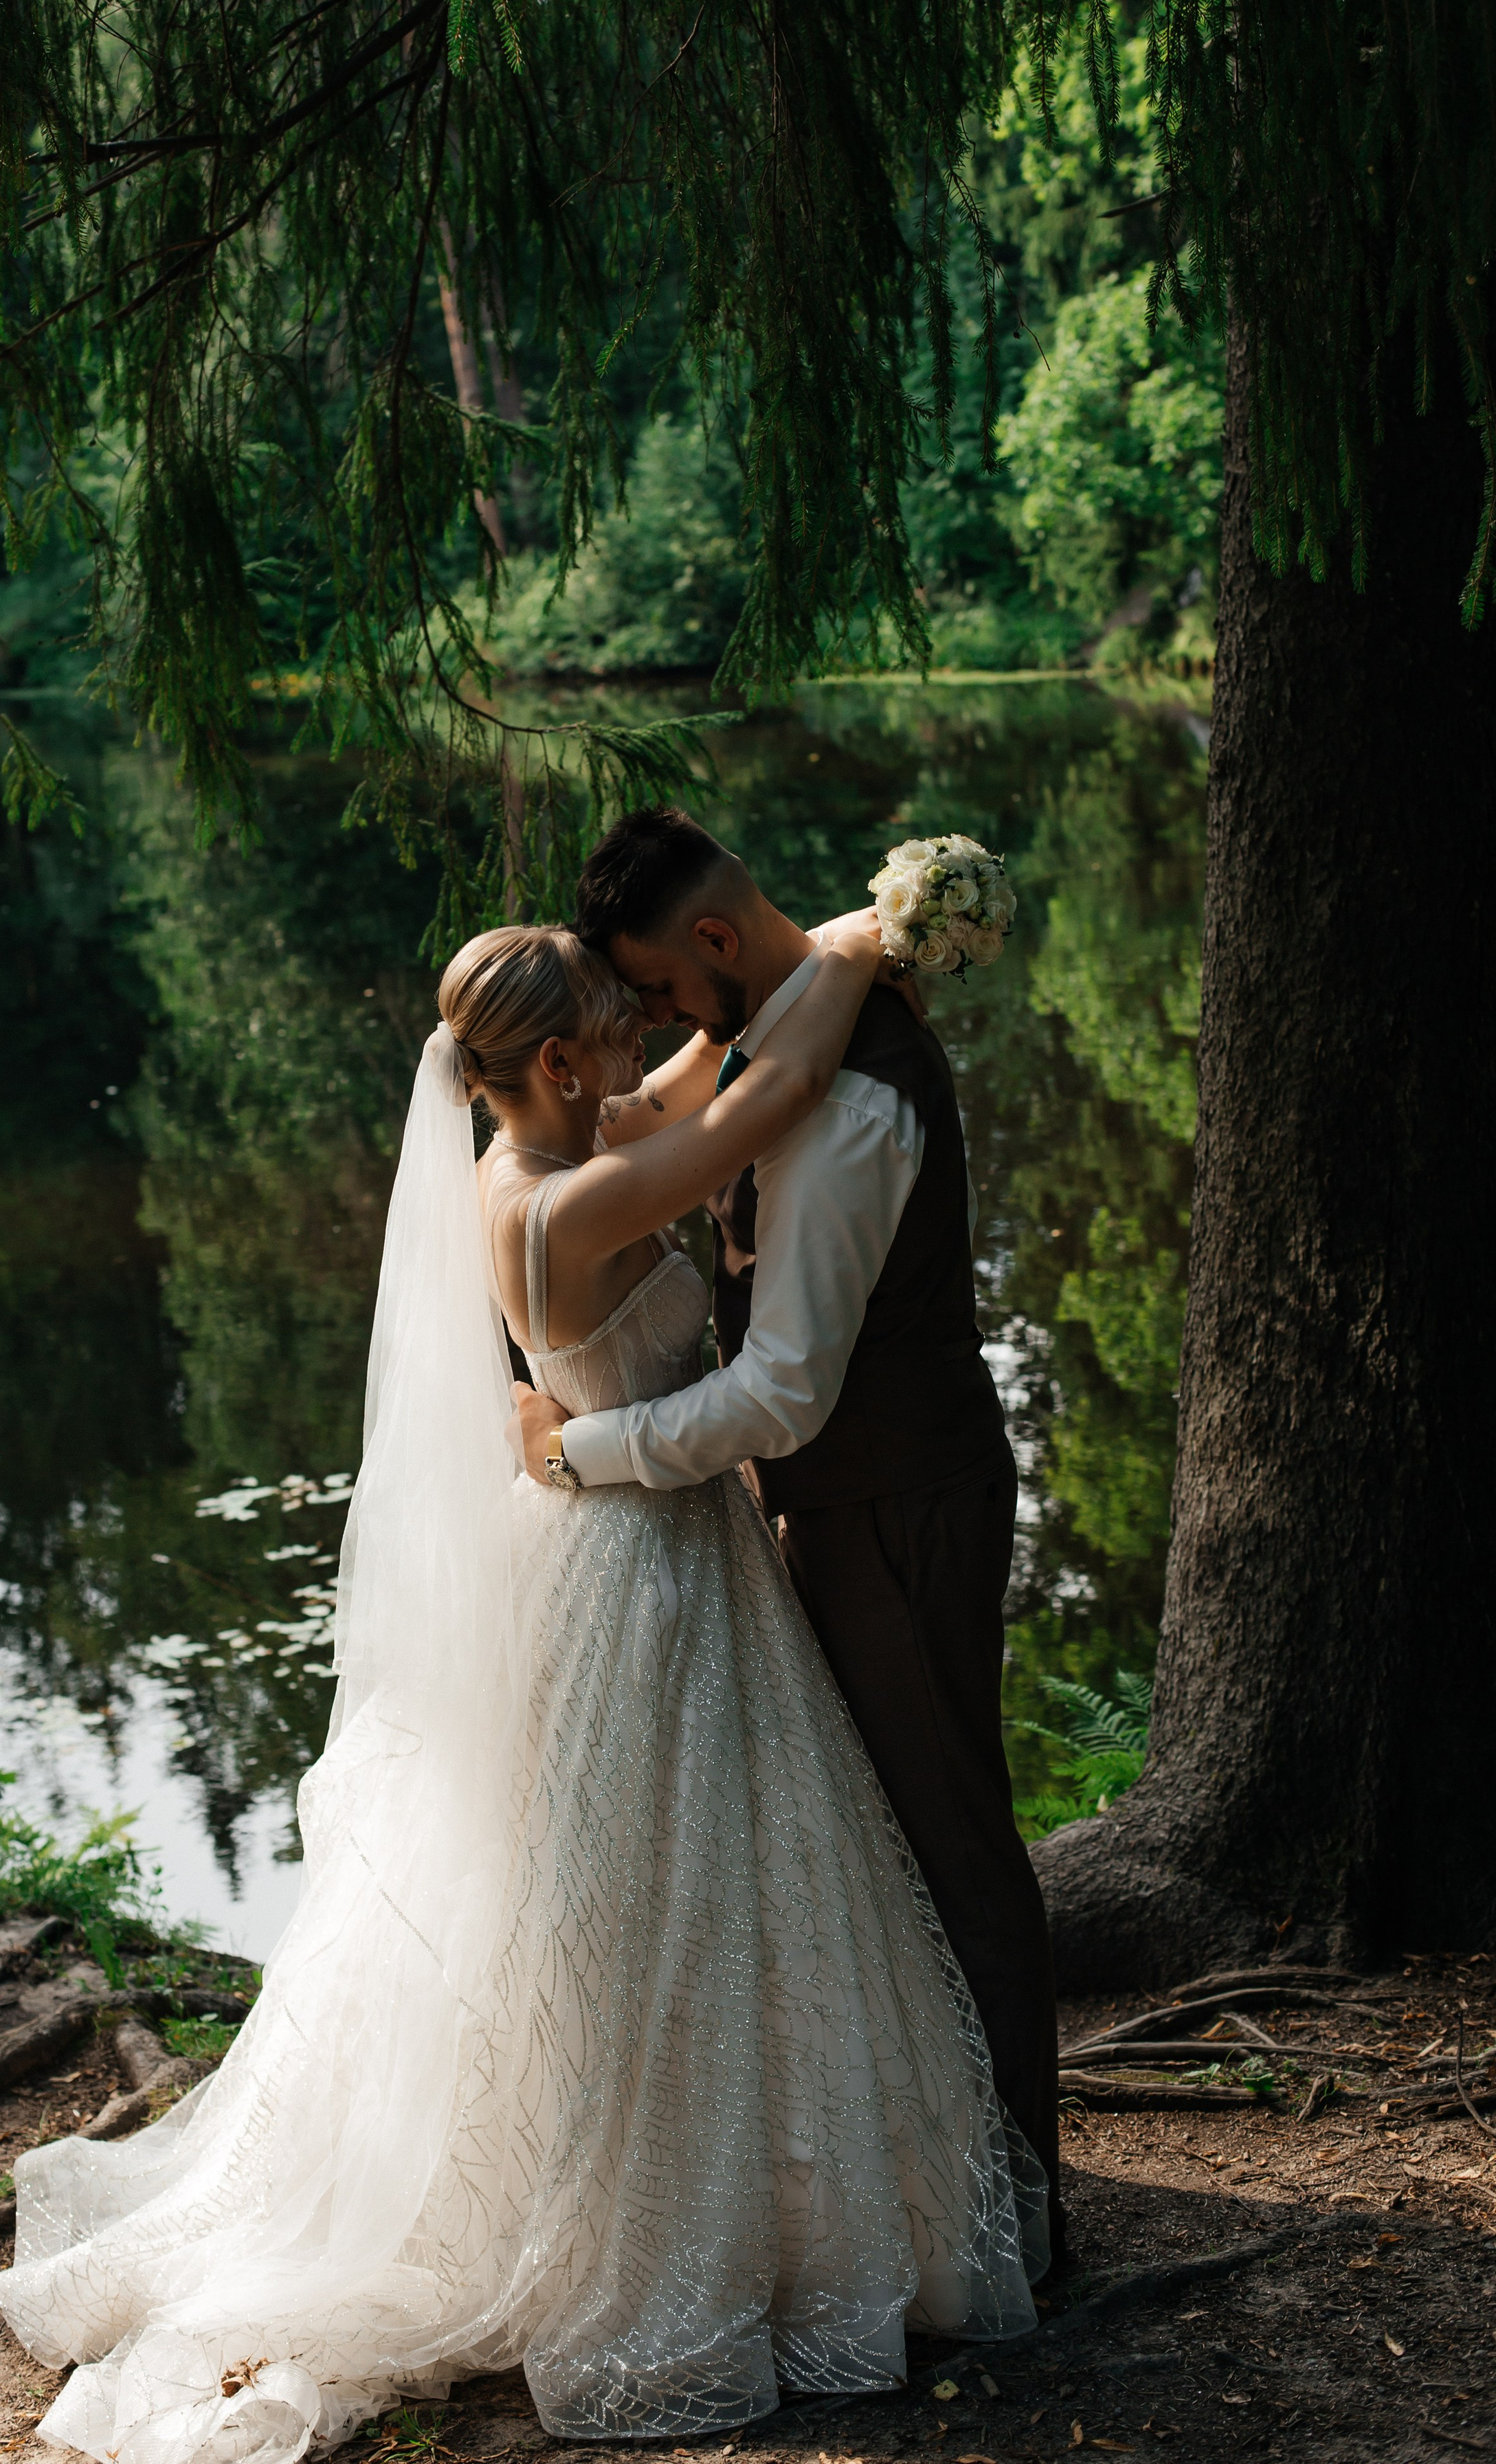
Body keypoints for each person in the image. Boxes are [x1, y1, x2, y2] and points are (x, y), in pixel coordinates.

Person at [0, 917, 1045, 2464]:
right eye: (619, 1029)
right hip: (641, 1568)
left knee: (680, 1897)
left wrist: (807, 935)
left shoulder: (560, 1149)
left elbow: (707, 1068)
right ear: (553, 1064)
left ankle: (738, 2185)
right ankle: (659, 2220)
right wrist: (870, 944)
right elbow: (769, 1085)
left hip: (634, 1550)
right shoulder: (578, 1206)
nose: (642, 1046)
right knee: (650, 1908)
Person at [509, 807, 1064, 2252]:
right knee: (885, 1836)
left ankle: (1017, 2206)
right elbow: (762, 1011)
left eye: (665, 991)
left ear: (709, 942)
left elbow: (781, 1396)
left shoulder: (849, 1108)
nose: (660, 1025)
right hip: (841, 1500)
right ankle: (941, 2178)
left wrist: (575, 1451)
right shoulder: (775, 1031)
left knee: (948, 1836)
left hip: (887, 1501)